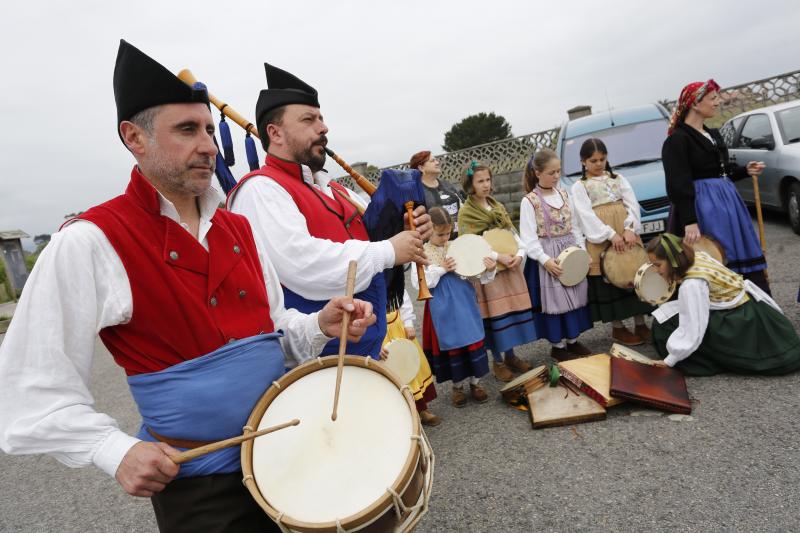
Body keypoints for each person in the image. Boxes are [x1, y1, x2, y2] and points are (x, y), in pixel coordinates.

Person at [0, 41, 376, 533]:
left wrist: (317, 326)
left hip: (289, 449)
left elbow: (273, 330)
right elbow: (32, 386)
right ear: (134, 137)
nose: (209, 146)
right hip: (202, 486)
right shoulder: (91, 241)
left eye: (207, 129)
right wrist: (113, 449)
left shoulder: (238, 228)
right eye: (186, 130)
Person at [227, 63, 431, 360]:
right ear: (276, 133)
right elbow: (303, 263)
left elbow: (379, 245)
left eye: (321, 118)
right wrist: (389, 250)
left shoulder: (335, 189)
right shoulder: (260, 190)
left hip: (364, 350)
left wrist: (406, 233)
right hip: (316, 365)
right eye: (309, 120)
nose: (323, 128)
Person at [662, 79, 770, 293]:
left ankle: (750, 304)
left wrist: (744, 170)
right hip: (703, 208)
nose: (717, 102)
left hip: (727, 202)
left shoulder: (713, 134)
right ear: (694, 103)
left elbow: (720, 170)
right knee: (715, 255)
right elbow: (678, 183)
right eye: (713, 98)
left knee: (739, 252)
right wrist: (690, 221)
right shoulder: (678, 141)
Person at [647, 234, 800, 376]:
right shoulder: (698, 257)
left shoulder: (692, 284)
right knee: (669, 312)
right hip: (752, 308)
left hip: (741, 319)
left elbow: (693, 326)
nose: (655, 270)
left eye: (658, 265)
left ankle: (708, 361)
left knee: (665, 325)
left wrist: (671, 359)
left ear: (673, 261)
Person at [457, 161, 537, 382]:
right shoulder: (467, 214)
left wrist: (520, 254)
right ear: (470, 185)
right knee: (495, 315)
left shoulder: (498, 207)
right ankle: (498, 361)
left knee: (509, 312)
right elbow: (470, 244)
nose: (486, 185)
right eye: (480, 181)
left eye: (488, 180)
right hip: (488, 273)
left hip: (509, 270)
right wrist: (497, 257)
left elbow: (511, 233)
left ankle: (511, 355)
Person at [570, 138, 653, 345]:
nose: (599, 164)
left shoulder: (618, 178)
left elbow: (632, 204)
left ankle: (641, 322)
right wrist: (610, 235)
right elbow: (584, 215)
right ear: (583, 162)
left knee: (634, 273)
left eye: (602, 159)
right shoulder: (580, 186)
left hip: (626, 234)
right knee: (611, 277)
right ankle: (618, 327)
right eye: (593, 160)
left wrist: (629, 228)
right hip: (601, 237)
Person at [415, 207, 494, 406]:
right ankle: (457, 386)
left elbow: (475, 273)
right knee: (453, 344)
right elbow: (419, 283)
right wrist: (442, 269)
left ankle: (476, 383)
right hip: (441, 306)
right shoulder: (422, 252)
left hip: (464, 301)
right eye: (439, 234)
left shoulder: (458, 246)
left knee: (472, 339)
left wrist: (488, 269)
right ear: (428, 231)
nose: (444, 238)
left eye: (447, 233)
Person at [520, 149, 593, 361]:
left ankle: (573, 340)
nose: (556, 176)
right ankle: (558, 345)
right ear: (537, 173)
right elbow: (529, 238)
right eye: (551, 172)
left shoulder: (564, 193)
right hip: (548, 256)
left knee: (574, 294)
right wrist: (545, 260)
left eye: (558, 171)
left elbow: (575, 226)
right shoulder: (530, 201)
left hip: (570, 250)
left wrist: (583, 250)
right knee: (556, 300)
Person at [380, 289, 440, 426]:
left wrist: (408, 324)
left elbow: (402, 297)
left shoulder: (390, 275)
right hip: (378, 335)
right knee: (391, 375)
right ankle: (405, 418)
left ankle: (422, 410)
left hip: (398, 327)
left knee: (410, 368)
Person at [409, 150, 465, 236]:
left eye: (436, 160)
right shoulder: (417, 193)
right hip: (437, 244)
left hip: (460, 237)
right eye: (432, 161)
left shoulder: (447, 184)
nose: (437, 162)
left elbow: (463, 205)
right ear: (421, 168)